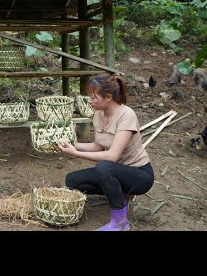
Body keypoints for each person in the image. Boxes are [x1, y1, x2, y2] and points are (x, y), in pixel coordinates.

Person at [57, 73, 154, 231]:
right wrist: (73, 145)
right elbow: (98, 145)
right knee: (72, 180)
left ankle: (119, 222)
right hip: (114, 170)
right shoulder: (98, 114)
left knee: (103, 166)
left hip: (139, 175)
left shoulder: (126, 115)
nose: (90, 101)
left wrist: (75, 153)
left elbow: (111, 156)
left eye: (94, 97)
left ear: (108, 97)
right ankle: (120, 191)